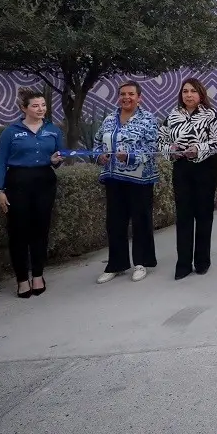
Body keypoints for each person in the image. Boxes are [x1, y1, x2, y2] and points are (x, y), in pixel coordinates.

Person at [0, 88, 64, 298]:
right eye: (35, 105)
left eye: (43, 105)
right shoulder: (11, 132)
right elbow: (0, 162)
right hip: (18, 183)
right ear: (24, 108)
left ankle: (38, 276)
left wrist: (56, 161)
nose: (41, 109)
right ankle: (22, 279)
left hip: (44, 182)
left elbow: (59, 158)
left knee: (40, 230)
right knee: (18, 232)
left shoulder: (53, 130)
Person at [158, 78, 217, 280]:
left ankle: (202, 260)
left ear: (201, 94)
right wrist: (170, 150)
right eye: (185, 91)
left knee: (204, 214)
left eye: (193, 91)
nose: (188, 95)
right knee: (184, 215)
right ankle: (183, 263)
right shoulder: (172, 115)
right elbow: (161, 139)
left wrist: (198, 149)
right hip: (181, 168)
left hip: (205, 167)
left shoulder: (211, 115)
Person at [93, 81, 160, 283]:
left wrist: (130, 157)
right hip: (113, 178)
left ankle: (142, 262)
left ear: (139, 97)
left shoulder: (148, 119)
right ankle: (116, 264)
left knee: (141, 221)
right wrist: (99, 156)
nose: (126, 97)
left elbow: (153, 148)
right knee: (114, 223)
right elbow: (97, 142)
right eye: (122, 94)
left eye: (131, 94)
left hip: (140, 179)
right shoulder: (109, 119)